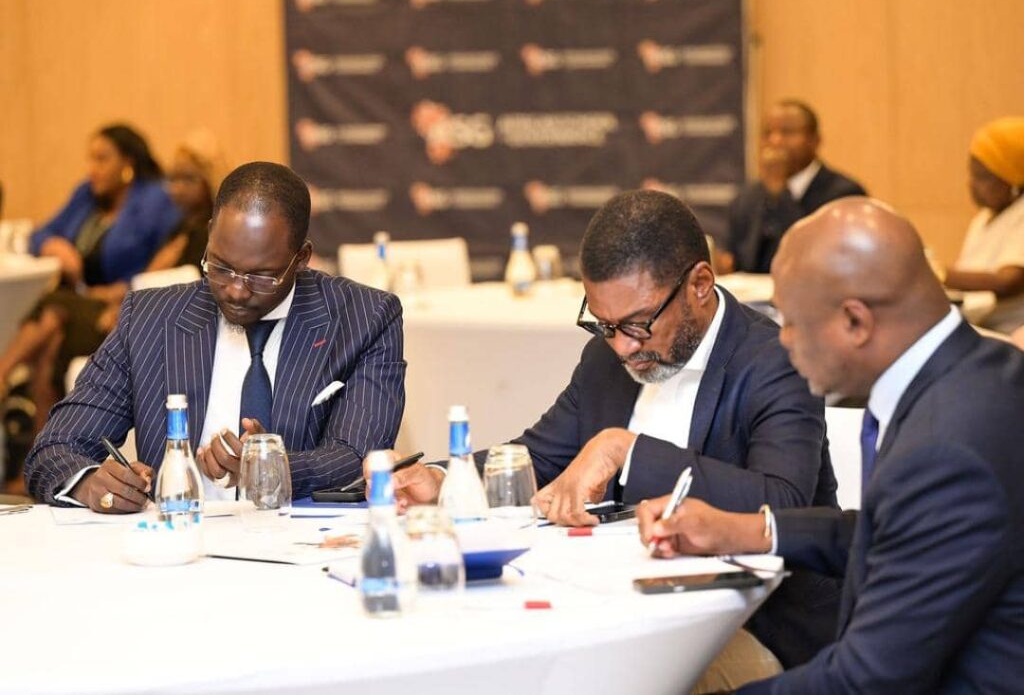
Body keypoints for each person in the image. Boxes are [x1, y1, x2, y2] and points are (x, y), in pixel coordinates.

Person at [375, 189, 841, 669]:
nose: (621, 348)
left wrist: (628, 450)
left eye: (638, 324)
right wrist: (444, 479)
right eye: (604, 325)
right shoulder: (608, 354)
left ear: (700, 284)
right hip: (624, 611)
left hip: (753, 626)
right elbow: (542, 455)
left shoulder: (774, 360)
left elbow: (783, 504)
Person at [639, 197, 1024, 693]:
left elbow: (865, 680)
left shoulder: (947, 446)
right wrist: (746, 530)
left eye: (792, 322)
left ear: (855, 322)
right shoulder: (979, 372)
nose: (783, 340)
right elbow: (894, 532)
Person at [24, 161, 406, 510]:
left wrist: (268, 466)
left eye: (261, 276)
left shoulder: (364, 319)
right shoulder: (150, 319)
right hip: (176, 543)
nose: (236, 290)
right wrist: (89, 482)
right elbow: (55, 447)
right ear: (209, 235)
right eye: (220, 267)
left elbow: (360, 457)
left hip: (300, 544)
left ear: (301, 258)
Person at [0, 129, 223, 438]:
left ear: (127, 163)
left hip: (121, 310)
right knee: (50, 346)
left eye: (102, 159)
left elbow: (159, 276)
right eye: (173, 179)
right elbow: (40, 233)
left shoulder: (160, 207)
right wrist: (54, 244)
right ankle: (45, 447)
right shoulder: (87, 196)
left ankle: (8, 382)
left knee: (55, 309)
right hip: (96, 301)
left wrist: (119, 298)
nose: (174, 188)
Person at [721, 100, 866, 274]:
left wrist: (781, 194)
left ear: (814, 140)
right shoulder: (747, 198)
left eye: (787, 132)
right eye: (767, 133)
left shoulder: (844, 194)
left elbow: (817, 257)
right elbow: (739, 261)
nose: (775, 141)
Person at [943, 116, 1024, 334]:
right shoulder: (983, 218)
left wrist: (938, 273)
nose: (972, 185)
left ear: (1012, 180)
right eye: (972, 174)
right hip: (980, 327)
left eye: (982, 177)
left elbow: (1009, 282)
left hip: (1013, 335)